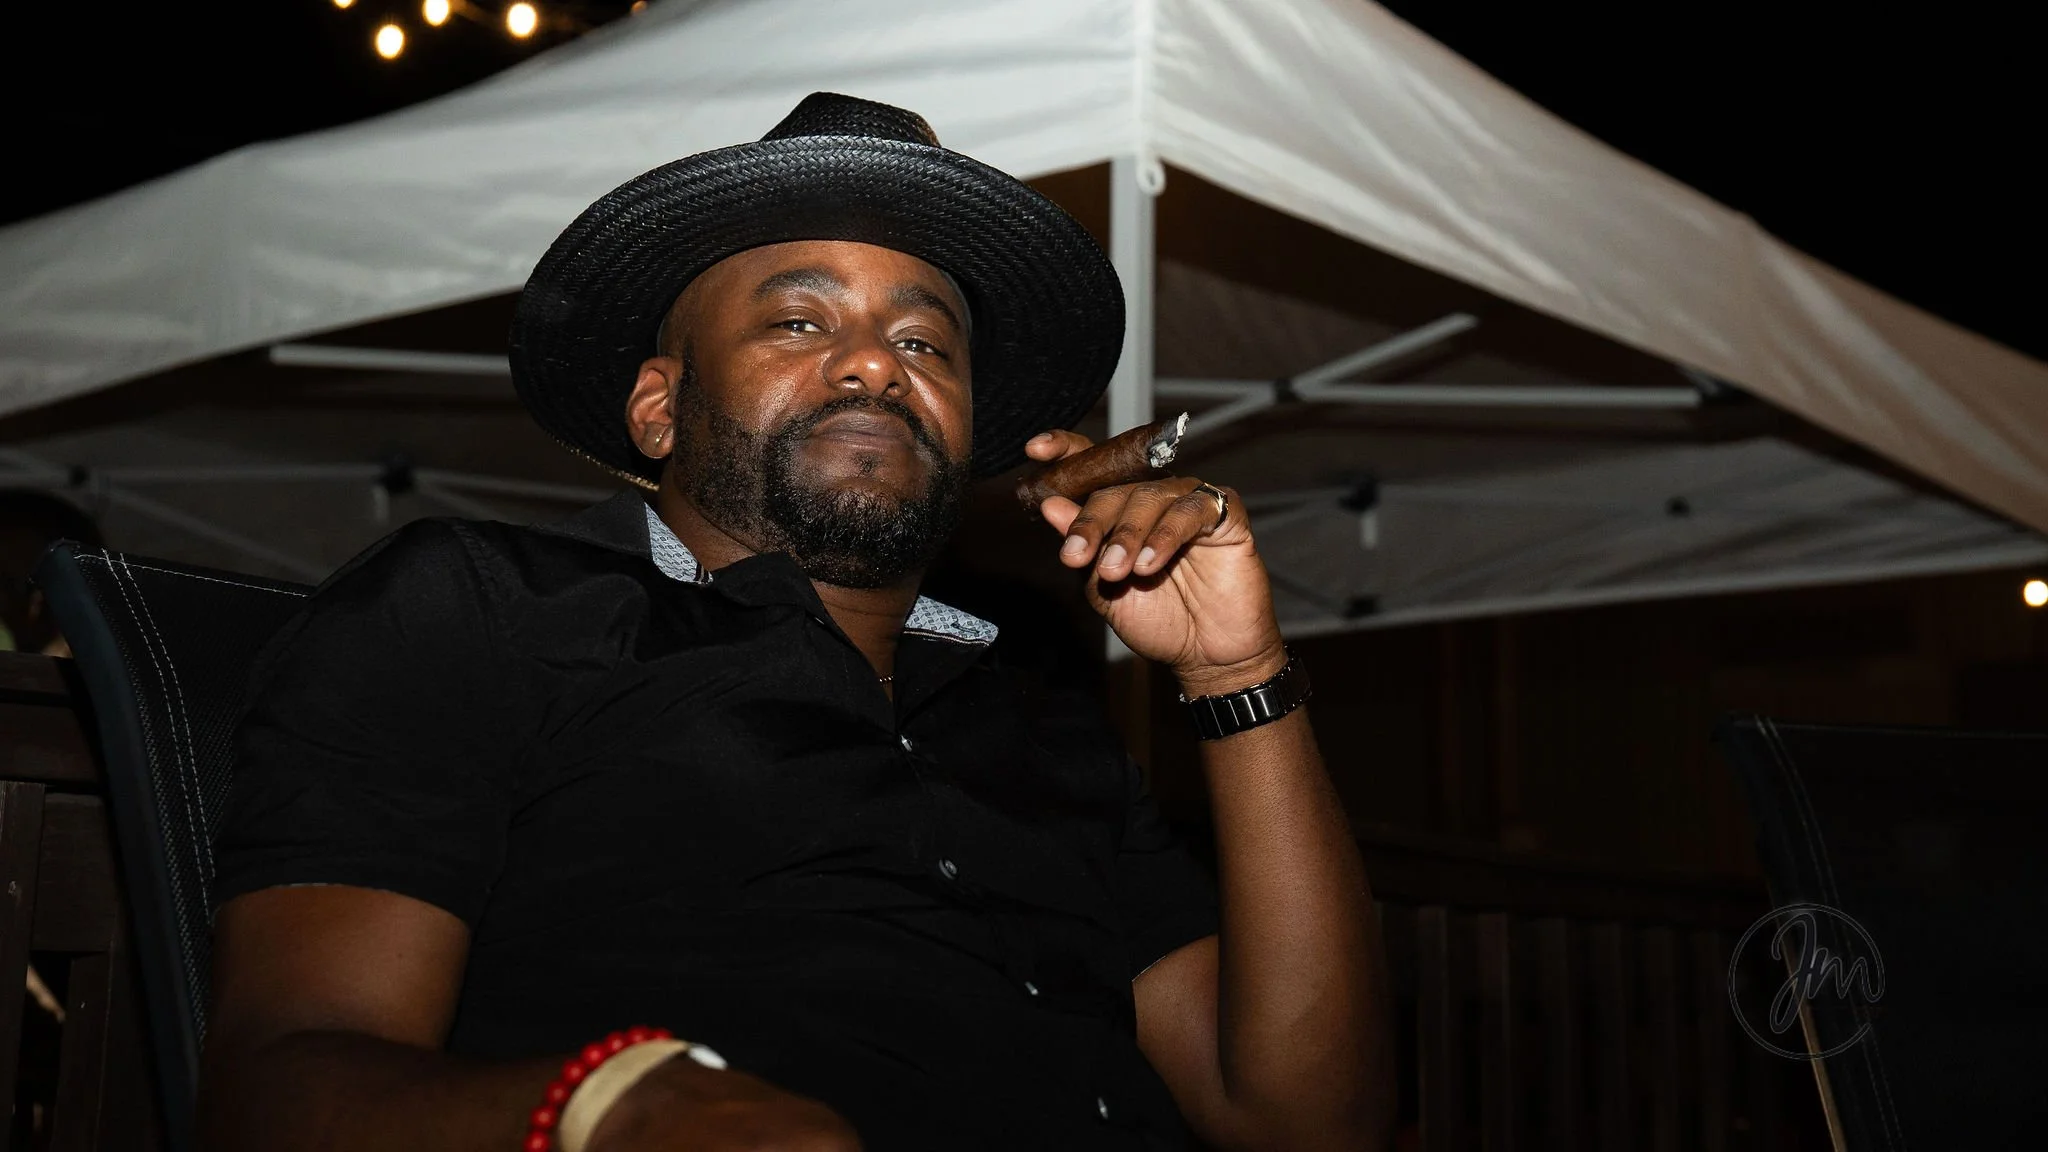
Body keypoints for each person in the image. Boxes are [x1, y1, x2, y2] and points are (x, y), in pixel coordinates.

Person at [199, 94, 1391, 1151]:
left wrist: (1240, 672)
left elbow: (1307, 1120)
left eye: (923, 341)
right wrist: (609, 1108)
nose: (876, 368)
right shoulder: (480, 607)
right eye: (798, 323)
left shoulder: (1043, 718)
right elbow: (279, 1088)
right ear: (659, 409)